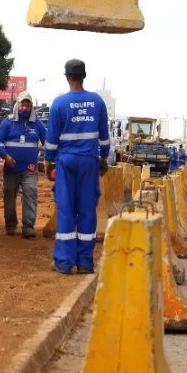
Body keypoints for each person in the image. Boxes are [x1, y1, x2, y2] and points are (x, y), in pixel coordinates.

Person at [45, 59, 109, 276]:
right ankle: (85, 263)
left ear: (67, 77)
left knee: (66, 210)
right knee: (86, 210)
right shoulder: (97, 102)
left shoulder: (59, 104)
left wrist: (49, 161)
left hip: (66, 161)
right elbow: (104, 138)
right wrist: (104, 158)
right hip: (89, 161)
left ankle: (64, 262)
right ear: (84, 76)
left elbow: (51, 139)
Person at [0, 90, 46, 239]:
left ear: (31, 108)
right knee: (9, 195)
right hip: (11, 168)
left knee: (30, 193)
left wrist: (49, 157)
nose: (25, 108)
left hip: (30, 168)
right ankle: (10, 225)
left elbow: (47, 142)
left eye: (28, 106)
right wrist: (6, 156)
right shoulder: (7, 122)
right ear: (17, 105)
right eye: (22, 105)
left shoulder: (37, 124)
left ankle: (28, 227)